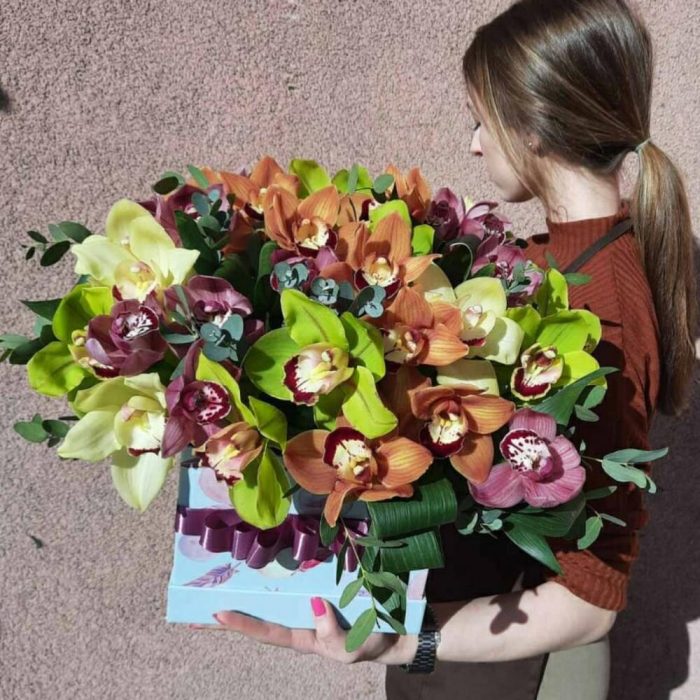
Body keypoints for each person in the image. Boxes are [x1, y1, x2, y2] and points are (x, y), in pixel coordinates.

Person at [194, 1, 698, 698]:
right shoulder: (550, 262)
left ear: (533, 124)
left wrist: (408, 640)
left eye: (480, 120)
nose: (476, 146)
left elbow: (589, 601)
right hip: (466, 643)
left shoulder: (604, 311)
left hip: (512, 669)